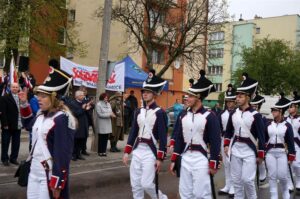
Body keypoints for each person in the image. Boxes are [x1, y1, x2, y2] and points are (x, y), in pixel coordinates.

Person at [19, 66, 75, 199]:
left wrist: (57, 182)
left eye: (43, 96)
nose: (39, 99)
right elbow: (28, 125)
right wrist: (24, 104)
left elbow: (62, 154)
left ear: (54, 98)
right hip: (34, 170)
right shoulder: (40, 114)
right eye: (38, 95)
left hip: (48, 173)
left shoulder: (62, 118)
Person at [169, 71, 221, 199]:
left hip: (201, 159)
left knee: (201, 194)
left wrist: (214, 162)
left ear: (198, 97)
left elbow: (215, 141)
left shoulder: (210, 116)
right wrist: (174, 159)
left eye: (190, 96)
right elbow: (180, 139)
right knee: (185, 194)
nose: (187, 98)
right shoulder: (183, 115)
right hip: (185, 157)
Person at [122, 69, 168, 199]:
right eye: (144, 92)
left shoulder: (160, 113)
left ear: (154, 94)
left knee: (146, 184)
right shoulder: (138, 111)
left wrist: (160, 157)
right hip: (137, 151)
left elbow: (163, 138)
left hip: (150, 152)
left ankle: (161, 197)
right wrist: (126, 152)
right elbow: (133, 133)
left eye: (148, 92)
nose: (145, 94)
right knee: (135, 185)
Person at [223, 73, 265, 199]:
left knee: (248, 181)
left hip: (249, 151)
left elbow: (261, 137)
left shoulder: (255, 115)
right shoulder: (233, 113)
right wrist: (226, 145)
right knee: (237, 182)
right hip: (235, 150)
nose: (237, 98)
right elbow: (229, 131)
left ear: (248, 97)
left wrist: (261, 154)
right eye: (237, 95)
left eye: (241, 95)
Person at [265, 93, 295, 199]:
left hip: (282, 152)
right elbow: (264, 139)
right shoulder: (268, 124)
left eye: (275, 110)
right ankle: (273, 196)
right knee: (272, 176)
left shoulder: (287, 126)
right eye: (272, 110)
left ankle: (285, 194)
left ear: (281, 111)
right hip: (270, 153)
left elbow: (291, 142)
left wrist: (291, 155)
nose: (273, 112)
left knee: (282, 176)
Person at [218, 84, 236, 198]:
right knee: (226, 163)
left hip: (234, 139)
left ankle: (234, 186)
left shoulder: (237, 113)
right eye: (228, 101)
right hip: (223, 139)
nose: (229, 103)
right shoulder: (222, 113)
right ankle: (228, 185)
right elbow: (219, 127)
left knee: (232, 163)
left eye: (231, 101)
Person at [0, 83, 23, 166]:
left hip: (18, 124)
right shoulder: (4, 98)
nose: (15, 88)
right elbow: (3, 112)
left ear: (18, 88)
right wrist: (4, 124)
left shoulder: (21, 97)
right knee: (5, 143)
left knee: (16, 143)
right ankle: (5, 159)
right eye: (13, 87)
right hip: (8, 125)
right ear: (10, 88)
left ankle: (13, 158)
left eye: (16, 87)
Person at [250, 93, 268, 184]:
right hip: (250, 140)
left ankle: (262, 171)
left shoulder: (262, 118)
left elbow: (264, 133)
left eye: (255, 106)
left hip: (258, 140)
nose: (253, 108)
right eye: (252, 106)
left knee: (260, 158)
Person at [69, 90, 90, 161]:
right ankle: (73, 155)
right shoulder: (73, 103)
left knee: (81, 140)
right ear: (77, 96)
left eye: (83, 95)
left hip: (83, 124)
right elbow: (76, 113)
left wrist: (88, 108)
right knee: (76, 140)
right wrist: (83, 108)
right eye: (82, 95)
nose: (83, 96)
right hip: (77, 124)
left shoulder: (83, 102)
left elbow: (87, 110)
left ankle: (78, 154)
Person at [286, 91, 300, 191]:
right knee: (287, 165)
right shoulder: (285, 119)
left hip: (298, 145)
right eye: (289, 107)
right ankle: (290, 183)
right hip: (287, 145)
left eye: (292, 106)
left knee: (296, 164)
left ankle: (299, 180)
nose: (289, 108)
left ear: (296, 108)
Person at [79, 86, 95, 155]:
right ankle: (78, 150)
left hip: (88, 119)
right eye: (83, 91)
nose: (85, 92)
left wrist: (91, 104)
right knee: (80, 135)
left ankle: (84, 149)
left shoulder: (88, 98)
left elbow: (93, 106)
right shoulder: (80, 99)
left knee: (86, 135)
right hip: (81, 119)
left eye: (85, 91)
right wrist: (88, 104)